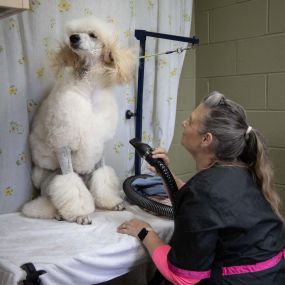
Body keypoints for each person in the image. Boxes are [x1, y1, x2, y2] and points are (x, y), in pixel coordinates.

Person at [117, 91, 285, 285]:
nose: (184, 123)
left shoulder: (204, 190)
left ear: (206, 139)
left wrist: (145, 232)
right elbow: (201, 202)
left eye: (190, 121)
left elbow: (181, 278)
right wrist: (164, 172)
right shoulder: (241, 170)